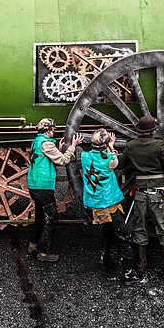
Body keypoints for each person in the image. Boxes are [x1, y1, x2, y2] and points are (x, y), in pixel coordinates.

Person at [117, 115, 164, 279]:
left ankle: (141, 264)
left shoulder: (131, 146)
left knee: (140, 228)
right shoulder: (159, 145)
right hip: (158, 194)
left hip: (140, 194)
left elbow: (121, 165)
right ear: (153, 131)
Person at [81, 128, 141, 286]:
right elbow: (116, 162)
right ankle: (128, 273)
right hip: (108, 202)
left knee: (108, 228)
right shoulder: (109, 160)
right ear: (106, 144)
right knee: (124, 235)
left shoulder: (85, 157)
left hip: (93, 202)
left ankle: (105, 256)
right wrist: (112, 146)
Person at [27, 118, 82, 263]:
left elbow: (44, 157)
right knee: (51, 218)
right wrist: (73, 146)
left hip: (34, 184)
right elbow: (62, 160)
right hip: (43, 186)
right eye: (53, 129)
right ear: (47, 130)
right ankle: (43, 252)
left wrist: (57, 147)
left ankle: (33, 244)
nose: (54, 131)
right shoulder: (46, 144)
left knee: (40, 216)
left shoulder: (37, 141)